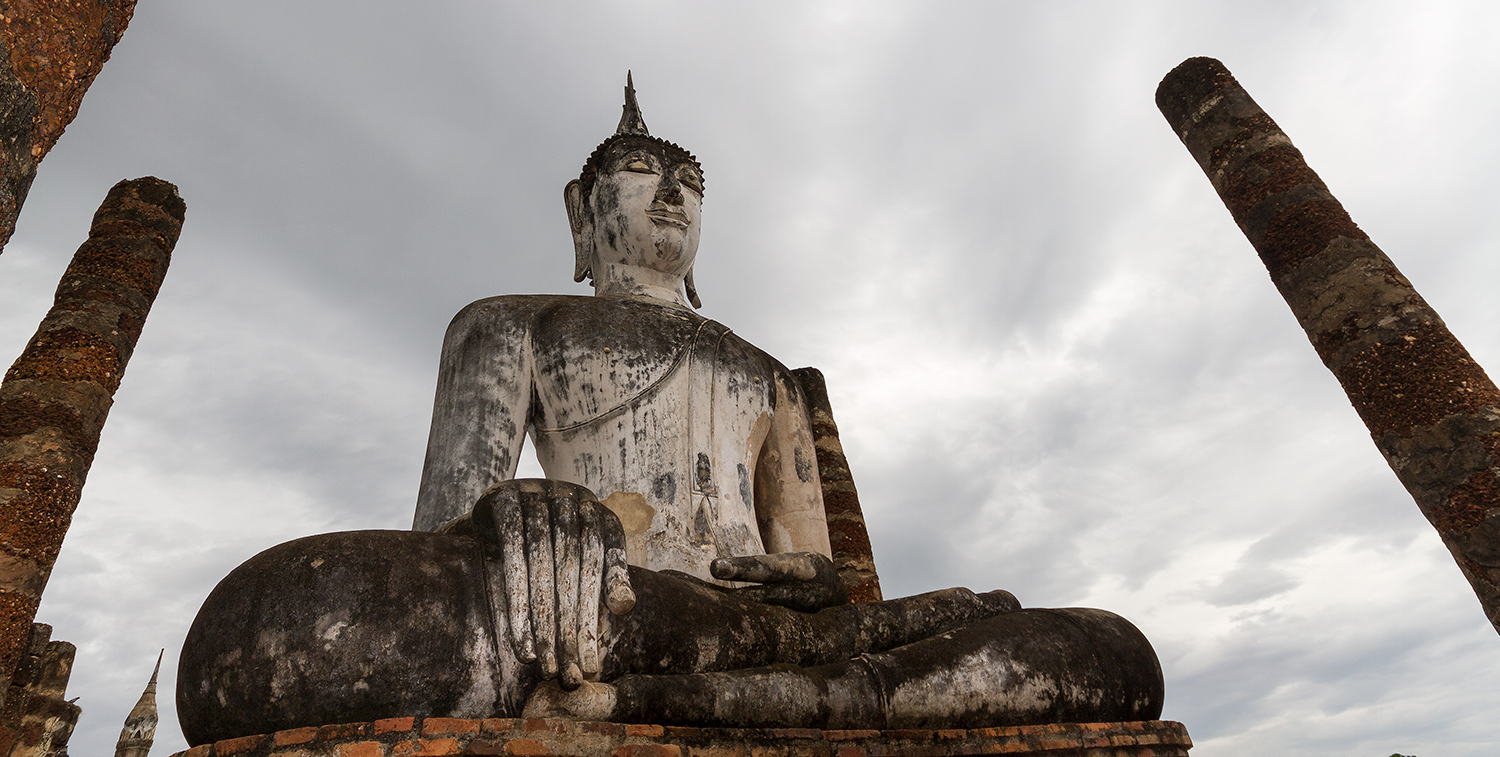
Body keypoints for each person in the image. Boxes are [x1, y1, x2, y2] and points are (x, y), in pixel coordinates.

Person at [176, 77, 1163, 743]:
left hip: (776, 633)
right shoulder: (509, 323)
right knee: (273, 625)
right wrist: (519, 508)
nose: (673, 197)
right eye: (647, 174)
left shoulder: (762, 367)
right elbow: (442, 537)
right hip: (600, 615)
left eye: (690, 184)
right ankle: (777, 704)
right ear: (582, 210)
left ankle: (694, 705)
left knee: (1104, 650)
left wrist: (792, 574)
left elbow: (816, 562)